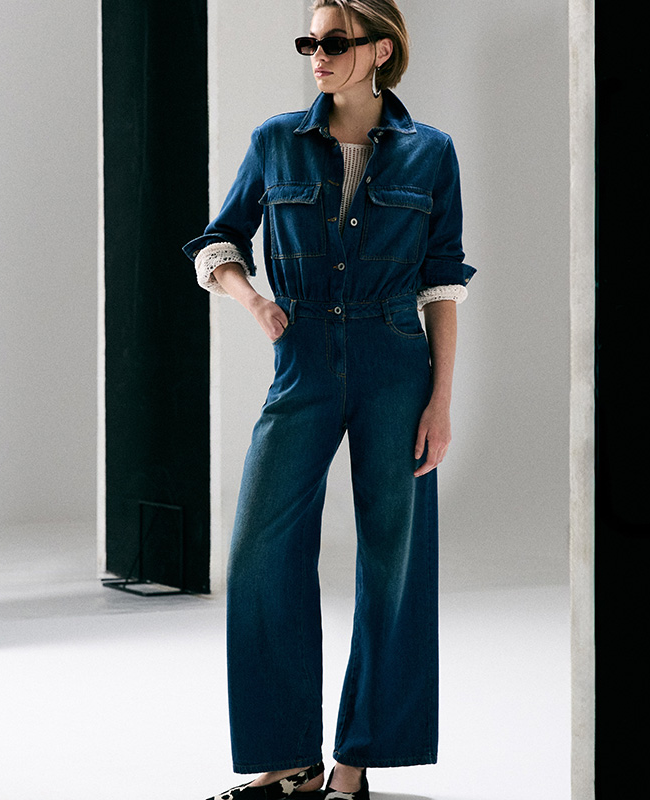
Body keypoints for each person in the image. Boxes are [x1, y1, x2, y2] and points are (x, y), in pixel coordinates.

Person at [183, 2, 474, 798]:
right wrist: (255, 304)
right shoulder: (276, 140)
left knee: (395, 561)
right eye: (309, 40)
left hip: (394, 361)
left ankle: (355, 764)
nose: (317, 53)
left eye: (334, 41)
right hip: (302, 356)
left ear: (380, 50)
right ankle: (292, 763)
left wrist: (440, 401)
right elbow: (218, 241)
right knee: (260, 555)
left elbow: (442, 282)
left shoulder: (431, 154)